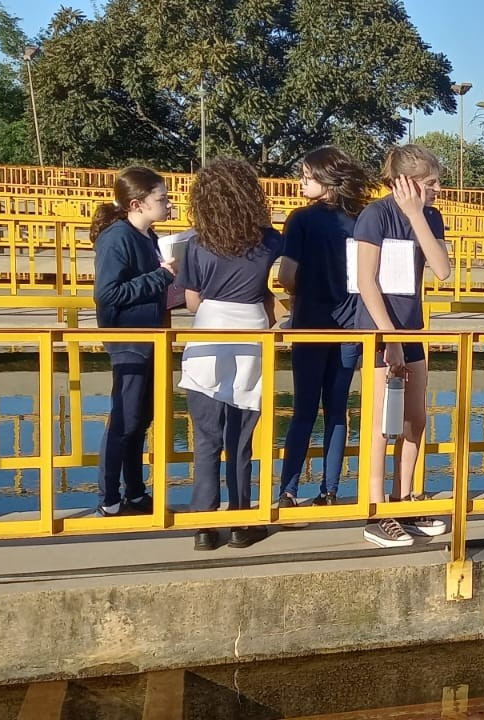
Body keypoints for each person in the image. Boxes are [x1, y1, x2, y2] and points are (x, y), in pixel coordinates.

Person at [176, 157, 282, 551]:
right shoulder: (268, 240)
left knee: (207, 438)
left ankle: (204, 526)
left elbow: (191, 301)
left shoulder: (196, 244)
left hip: (208, 332)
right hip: (251, 334)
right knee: (241, 438)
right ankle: (240, 522)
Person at [353, 144, 453, 549]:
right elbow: (366, 281)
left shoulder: (429, 216)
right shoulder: (375, 215)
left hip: (412, 327)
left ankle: (405, 496)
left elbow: (443, 270)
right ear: (406, 182)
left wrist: (416, 215)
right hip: (380, 329)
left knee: (415, 419)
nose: (437, 190)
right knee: (383, 422)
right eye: (431, 183)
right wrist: (389, 338)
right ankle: (376, 509)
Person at [277, 146, 371, 509]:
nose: (301, 183)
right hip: (351, 326)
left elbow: (287, 275)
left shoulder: (300, 219)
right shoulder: (362, 219)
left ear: (326, 179)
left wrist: (302, 293)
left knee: (303, 410)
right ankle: (330, 490)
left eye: (306, 177)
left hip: (311, 325)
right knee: (337, 410)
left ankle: (288, 491)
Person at [91, 166, 175, 518]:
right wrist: (160, 278)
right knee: (124, 420)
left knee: (140, 420)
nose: (169, 204)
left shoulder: (148, 236)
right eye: (162, 198)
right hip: (128, 339)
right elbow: (107, 294)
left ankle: (135, 492)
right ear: (137, 204)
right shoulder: (117, 238)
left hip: (149, 336)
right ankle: (109, 498)